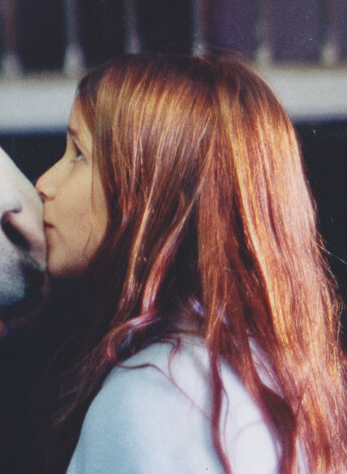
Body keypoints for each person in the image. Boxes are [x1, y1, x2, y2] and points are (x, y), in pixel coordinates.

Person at [35, 53, 347, 474]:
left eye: (78, 155)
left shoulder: (151, 397)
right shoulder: (271, 377)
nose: (44, 184)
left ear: (158, 193)